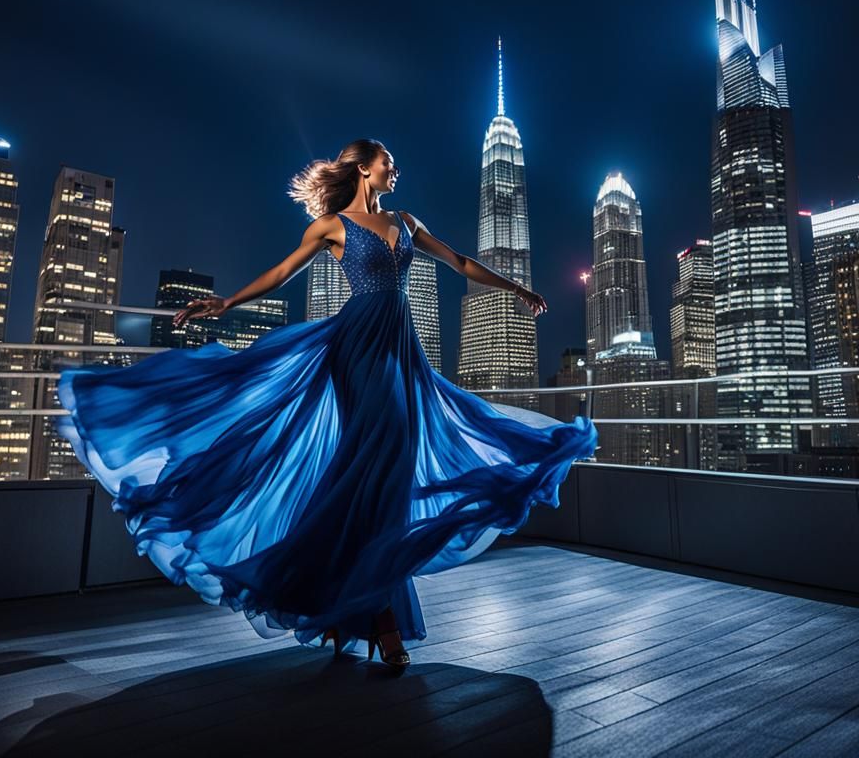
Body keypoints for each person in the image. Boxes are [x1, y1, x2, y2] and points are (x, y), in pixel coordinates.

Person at [56, 138, 597, 672]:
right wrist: (226, 302)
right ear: (363, 169)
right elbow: (281, 273)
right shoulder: (331, 226)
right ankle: (381, 624)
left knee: (382, 479)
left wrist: (516, 288)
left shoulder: (406, 221)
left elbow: (459, 262)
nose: (396, 168)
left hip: (402, 349)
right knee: (375, 471)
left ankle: (344, 606)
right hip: (357, 351)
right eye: (389, 161)